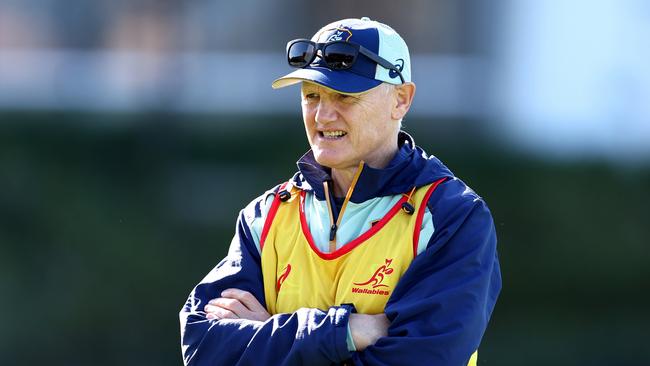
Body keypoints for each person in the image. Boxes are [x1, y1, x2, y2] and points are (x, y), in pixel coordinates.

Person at [179, 17, 501, 366]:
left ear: (401, 100)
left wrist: (268, 333)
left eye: (344, 96)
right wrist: (345, 331)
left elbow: (422, 359)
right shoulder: (264, 217)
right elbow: (204, 348)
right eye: (311, 95)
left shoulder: (452, 216)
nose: (322, 115)